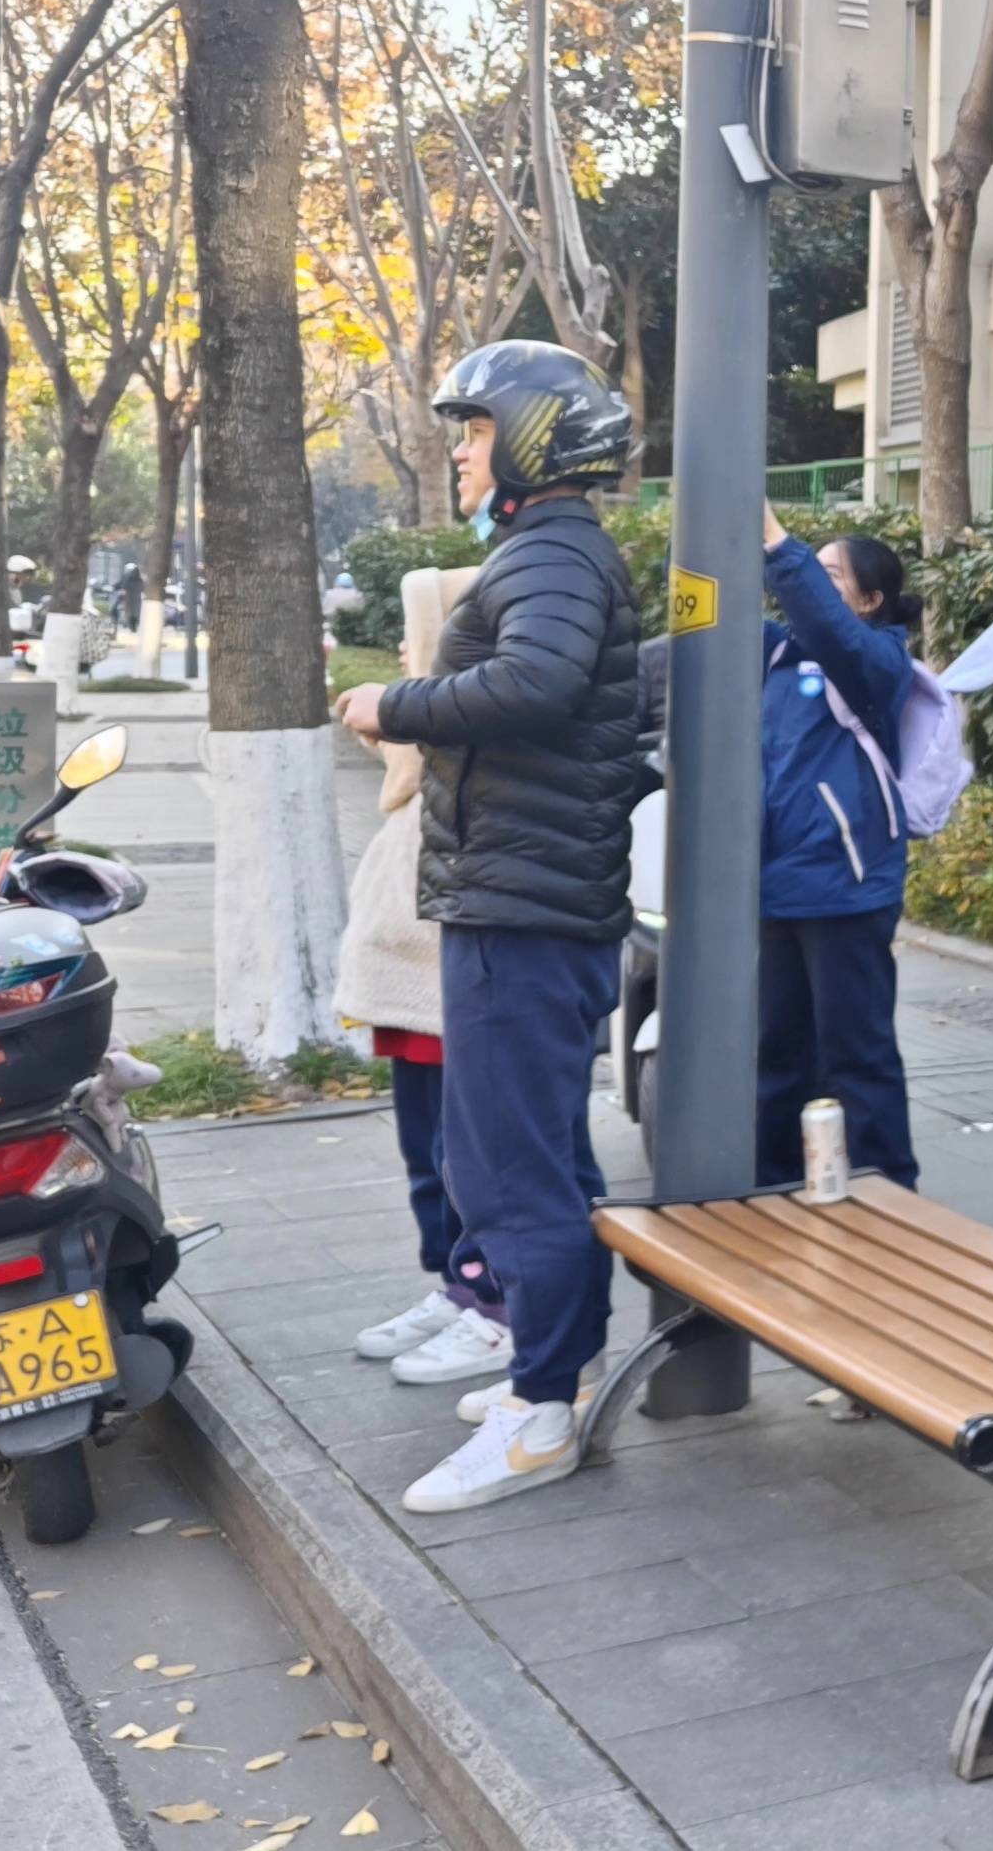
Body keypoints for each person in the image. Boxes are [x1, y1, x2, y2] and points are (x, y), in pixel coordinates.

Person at [339, 341, 646, 1515]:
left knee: (507, 1165)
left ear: (526, 439)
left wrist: (395, 703)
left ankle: (541, 1411)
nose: (462, 453)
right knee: (532, 1155)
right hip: (521, 896)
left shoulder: (554, 553)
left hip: (524, 907)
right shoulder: (549, 549)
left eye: (473, 431)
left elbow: (535, 684)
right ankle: (556, 1373)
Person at [337, 564, 508, 1388]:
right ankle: (454, 1282)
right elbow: (400, 766)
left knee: (466, 1152)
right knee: (425, 1150)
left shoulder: (481, 725)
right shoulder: (427, 732)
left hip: (454, 976)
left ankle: (492, 1300)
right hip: (408, 984)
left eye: (416, 634)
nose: (404, 651)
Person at [748, 502, 923, 1192]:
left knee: (857, 1056)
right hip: (777, 885)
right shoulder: (778, 654)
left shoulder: (876, 660)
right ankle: (774, 1186)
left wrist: (777, 543)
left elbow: (829, 627)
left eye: (832, 575)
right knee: (777, 1055)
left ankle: (888, 1191)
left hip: (847, 886)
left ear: (870, 601)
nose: (814, 584)